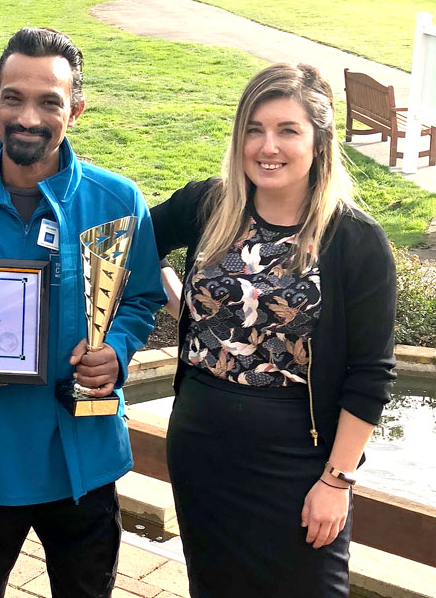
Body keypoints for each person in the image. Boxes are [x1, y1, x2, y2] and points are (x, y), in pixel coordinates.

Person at [0, 27, 165, 598]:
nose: (29, 117)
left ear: (76, 107)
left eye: (50, 101)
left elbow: (142, 296)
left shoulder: (117, 202)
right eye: (14, 98)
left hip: (81, 460)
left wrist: (117, 352)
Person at [151, 63, 396, 597]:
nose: (268, 146)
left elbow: (371, 375)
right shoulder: (208, 205)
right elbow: (126, 242)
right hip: (202, 447)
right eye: (254, 129)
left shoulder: (354, 240)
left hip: (300, 460)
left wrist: (336, 482)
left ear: (319, 140)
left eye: (288, 130)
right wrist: (185, 308)